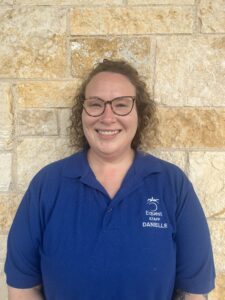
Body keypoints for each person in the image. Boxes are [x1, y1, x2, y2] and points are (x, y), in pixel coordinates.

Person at [5, 59, 215, 300]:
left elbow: (193, 293)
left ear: (139, 113)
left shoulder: (172, 185)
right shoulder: (47, 185)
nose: (107, 117)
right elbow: (22, 288)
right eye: (95, 104)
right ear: (82, 113)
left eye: (121, 105)